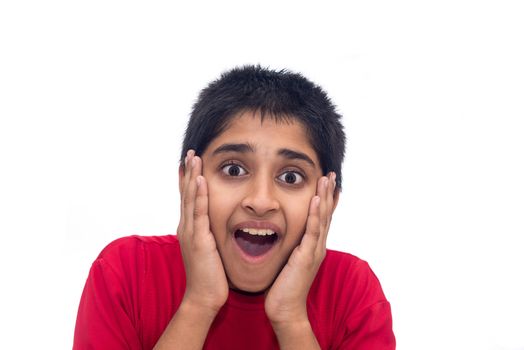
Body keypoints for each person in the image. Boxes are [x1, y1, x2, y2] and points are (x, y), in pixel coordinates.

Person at [73, 65, 395, 349]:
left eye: (291, 176)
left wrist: (291, 319)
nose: (260, 201)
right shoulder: (126, 272)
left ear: (330, 199)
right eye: (233, 170)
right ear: (188, 178)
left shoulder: (352, 291)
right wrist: (199, 302)